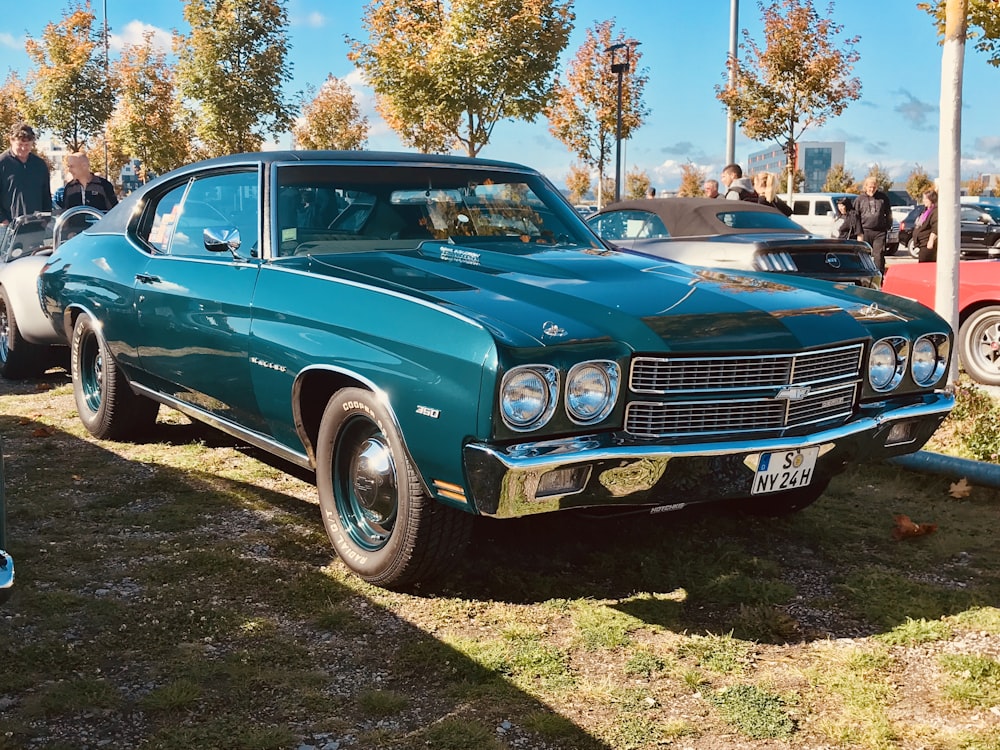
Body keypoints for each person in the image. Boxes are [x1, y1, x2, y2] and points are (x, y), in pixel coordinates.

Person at [0, 122, 51, 227]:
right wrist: (3, 220)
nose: (23, 149)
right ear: (11, 141)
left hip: (36, 225)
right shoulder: (2, 163)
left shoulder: (40, 165)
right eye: (20, 145)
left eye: (27, 145)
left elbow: (46, 194)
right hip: (8, 225)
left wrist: (46, 219)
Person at [854, 177, 893, 273]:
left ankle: (879, 276)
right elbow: (856, 217)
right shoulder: (859, 199)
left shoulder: (883, 198)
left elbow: (888, 213)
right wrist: (859, 233)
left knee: (878, 256)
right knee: (863, 255)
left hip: (879, 232)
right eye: (870, 187)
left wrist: (888, 226)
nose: (872, 189)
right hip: (864, 231)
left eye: (874, 187)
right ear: (866, 187)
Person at [910, 189, 939, 263]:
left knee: (925, 266)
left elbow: (935, 227)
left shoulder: (935, 212)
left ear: (931, 199)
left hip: (927, 244)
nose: (924, 200)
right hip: (921, 245)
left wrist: (931, 240)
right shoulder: (926, 211)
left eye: (925, 198)